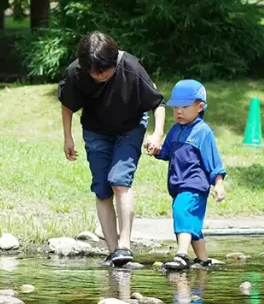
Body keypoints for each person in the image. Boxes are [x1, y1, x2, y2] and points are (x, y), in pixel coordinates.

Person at [59, 32, 166, 267]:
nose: (99, 75)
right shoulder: (76, 72)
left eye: (104, 70)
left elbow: (157, 103)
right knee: (102, 188)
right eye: (94, 71)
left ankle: (124, 245)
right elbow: (68, 105)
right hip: (96, 131)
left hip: (130, 128)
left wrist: (157, 133)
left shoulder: (130, 67)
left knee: (119, 181)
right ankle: (112, 251)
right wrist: (68, 137)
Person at [152, 79, 228, 271]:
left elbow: (213, 161)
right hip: (178, 185)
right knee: (191, 223)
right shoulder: (175, 130)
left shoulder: (203, 132)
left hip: (194, 185)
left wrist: (218, 183)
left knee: (181, 211)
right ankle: (203, 261)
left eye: (184, 106)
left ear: (200, 106)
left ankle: (182, 256)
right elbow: (166, 152)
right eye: (175, 107)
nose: (178, 111)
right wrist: (155, 149)